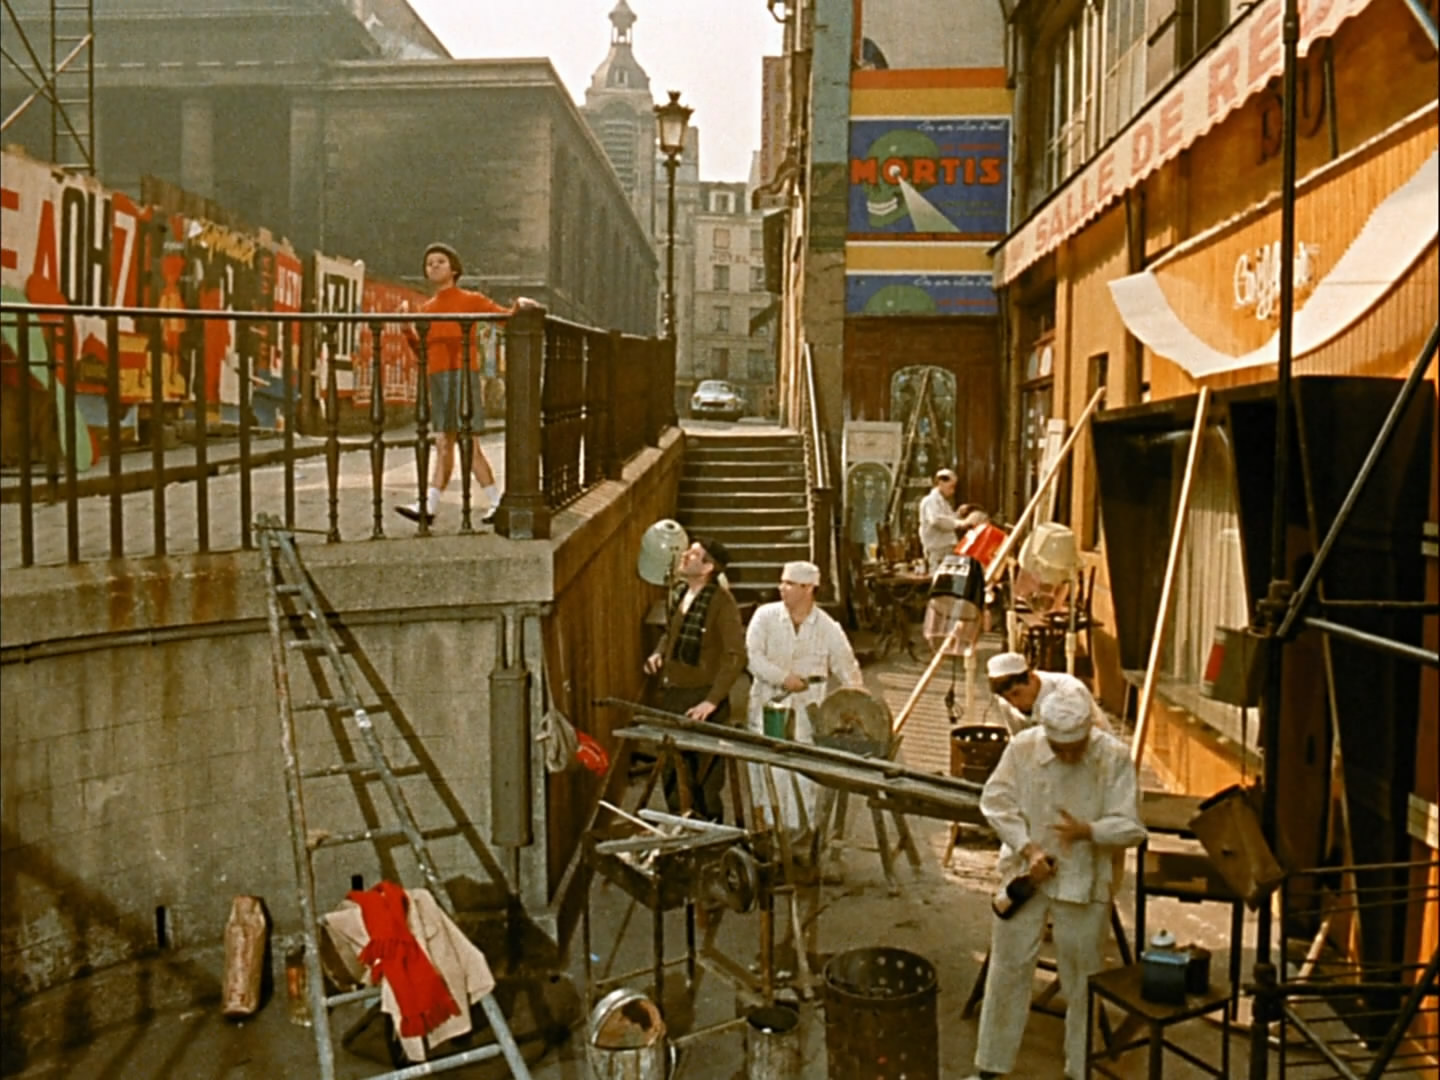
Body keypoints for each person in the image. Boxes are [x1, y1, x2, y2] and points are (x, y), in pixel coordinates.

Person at [965, 681, 1147, 1080]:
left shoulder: (1112, 757)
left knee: (1082, 977)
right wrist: (1027, 848)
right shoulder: (1024, 748)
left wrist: (1089, 831)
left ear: (1088, 733)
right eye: (1058, 747)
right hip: (1028, 875)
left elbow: (1132, 827)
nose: (1065, 755)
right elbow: (995, 801)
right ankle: (990, 1066)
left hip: (1083, 878)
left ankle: (1079, 1067)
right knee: (1008, 968)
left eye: (1073, 748)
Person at [397, 242, 529, 526]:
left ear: (454, 269)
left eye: (440, 262)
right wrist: (407, 328)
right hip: (438, 376)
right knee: (444, 441)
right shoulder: (426, 309)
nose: (433, 266)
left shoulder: (470, 299)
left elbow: (505, 318)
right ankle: (429, 505)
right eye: (429, 262)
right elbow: (421, 352)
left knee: (468, 441)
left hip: (461, 372)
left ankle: (495, 500)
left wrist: (519, 307)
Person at [745, 560, 864, 834]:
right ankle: (767, 833)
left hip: (806, 713)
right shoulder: (765, 616)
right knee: (767, 771)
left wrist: (857, 702)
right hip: (767, 705)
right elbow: (752, 658)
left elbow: (847, 668)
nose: (782, 588)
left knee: (802, 774)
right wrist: (781, 677)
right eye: (782, 582)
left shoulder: (827, 627)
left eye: (789, 584)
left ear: (808, 588)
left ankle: (801, 835)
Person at [644, 537, 745, 821]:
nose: (685, 555)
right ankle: (680, 833)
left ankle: (710, 841)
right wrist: (659, 653)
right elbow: (670, 633)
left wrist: (711, 702)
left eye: (694, 554)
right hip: (673, 696)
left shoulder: (722, 603)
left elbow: (735, 656)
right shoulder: (681, 593)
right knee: (673, 772)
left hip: (701, 699)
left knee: (705, 781)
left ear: (708, 567)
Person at [986, 651, 1113, 735]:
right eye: (1007, 698)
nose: (1014, 703)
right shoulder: (1005, 703)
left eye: (1016, 693)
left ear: (1031, 677)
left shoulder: (1068, 690)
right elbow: (1019, 741)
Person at [919, 468, 963, 572]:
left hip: (946, 548)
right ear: (941, 483)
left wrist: (958, 514)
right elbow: (937, 521)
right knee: (939, 581)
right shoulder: (930, 501)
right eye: (951, 486)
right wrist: (960, 524)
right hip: (937, 550)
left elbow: (949, 519)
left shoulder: (943, 502)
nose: (953, 491)